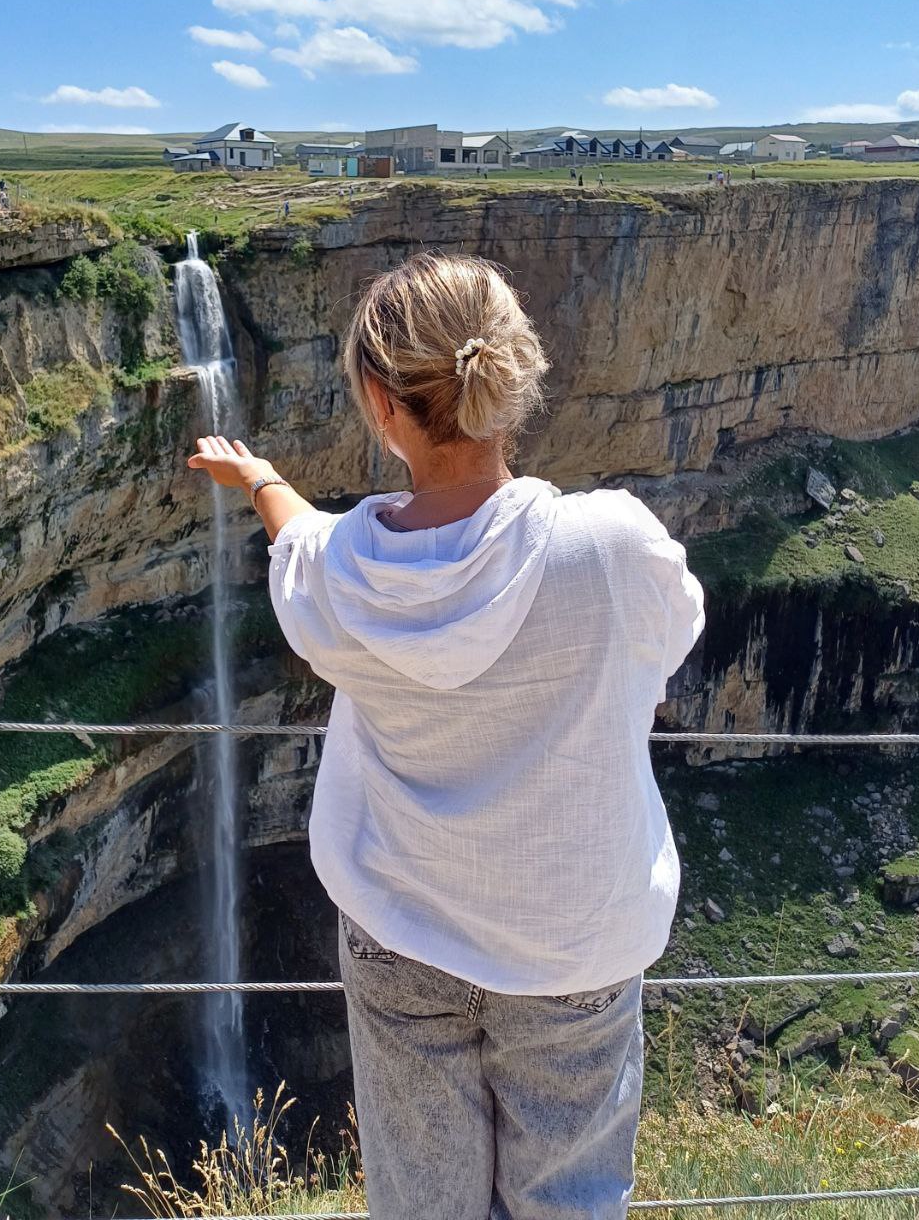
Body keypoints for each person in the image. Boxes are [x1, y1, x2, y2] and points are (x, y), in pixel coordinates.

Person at [186, 251, 705, 1220]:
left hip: (402, 942)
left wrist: (259, 478)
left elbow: (301, 541)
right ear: (515, 376)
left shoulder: (338, 582)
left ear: (380, 407)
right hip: (574, 949)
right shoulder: (611, 545)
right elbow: (667, 638)